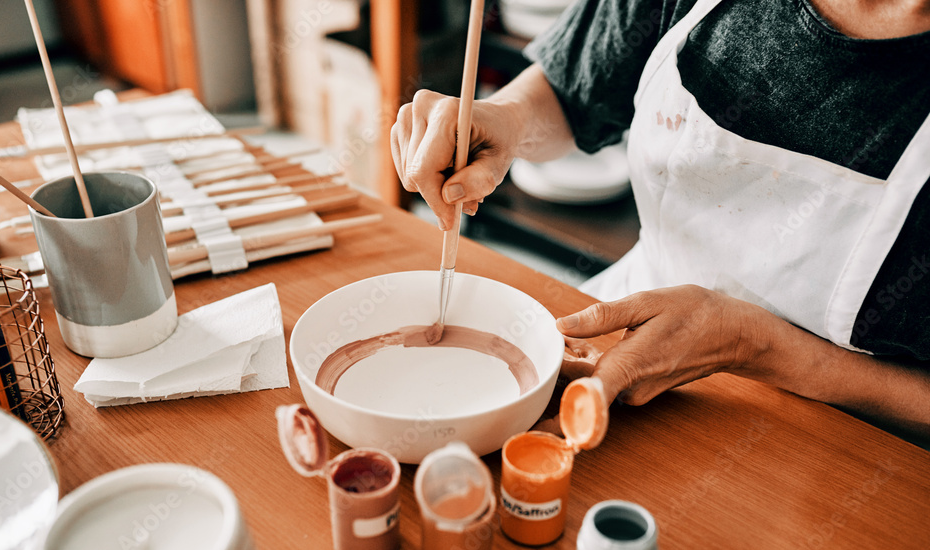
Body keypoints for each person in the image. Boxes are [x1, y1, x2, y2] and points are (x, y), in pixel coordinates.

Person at [390, 0, 930, 443]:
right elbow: (574, 90)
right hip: (628, 344)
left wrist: (759, 346)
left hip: (857, 438)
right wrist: (506, 119)